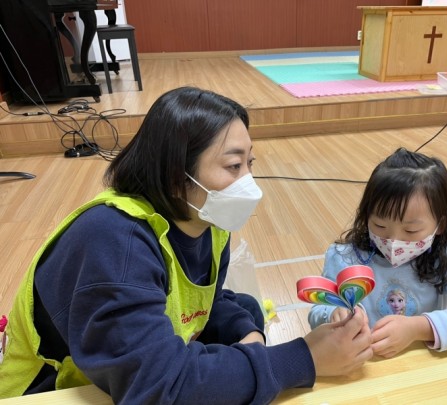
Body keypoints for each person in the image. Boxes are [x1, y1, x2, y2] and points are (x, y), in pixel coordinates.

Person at [0, 87, 372, 404]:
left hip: (118, 374)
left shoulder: (206, 221)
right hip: (54, 391)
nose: (249, 182)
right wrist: (303, 359)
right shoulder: (114, 242)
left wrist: (245, 331)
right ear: (177, 178)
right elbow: (158, 388)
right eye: (233, 166)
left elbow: (205, 302)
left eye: (250, 163)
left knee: (244, 309)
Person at [309, 147, 447, 359]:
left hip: (420, 364)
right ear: (366, 216)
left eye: (411, 230)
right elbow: (318, 311)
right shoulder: (345, 257)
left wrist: (417, 328)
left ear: (440, 225)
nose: (393, 241)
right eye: (379, 225)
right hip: (363, 363)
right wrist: (333, 314)